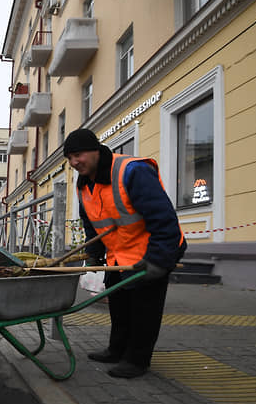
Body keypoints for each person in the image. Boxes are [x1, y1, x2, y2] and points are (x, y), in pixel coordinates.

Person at [63, 128, 186, 379]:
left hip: (146, 256)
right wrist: (95, 253)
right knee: (119, 308)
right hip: (117, 257)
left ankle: (137, 360)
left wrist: (159, 261)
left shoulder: (132, 171)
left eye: (78, 155)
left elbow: (163, 219)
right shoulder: (84, 184)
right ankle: (117, 349)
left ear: (95, 150)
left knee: (144, 311)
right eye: (70, 158)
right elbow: (92, 222)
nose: (74, 162)